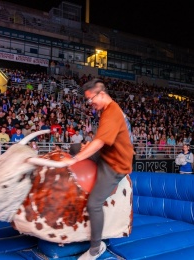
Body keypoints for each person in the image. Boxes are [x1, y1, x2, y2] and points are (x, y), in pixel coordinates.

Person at [61, 78, 134, 260]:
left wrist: (77, 159)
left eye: (90, 99)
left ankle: (96, 248)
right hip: (105, 153)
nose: (89, 103)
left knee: (94, 204)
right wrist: (83, 149)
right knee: (76, 147)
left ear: (101, 94)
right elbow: (101, 140)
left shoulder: (112, 113)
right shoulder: (106, 109)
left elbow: (100, 141)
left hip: (115, 164)